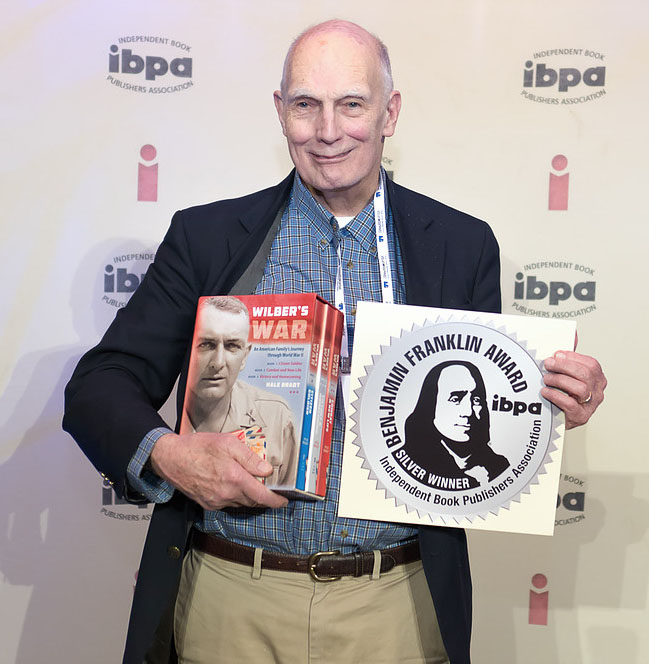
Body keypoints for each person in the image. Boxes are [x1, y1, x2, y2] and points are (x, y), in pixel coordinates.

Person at [63, 19, 607, 664]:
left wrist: (553, 402)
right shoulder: (207, 237)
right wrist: (169, 455)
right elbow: (100, 384)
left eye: (352, 103)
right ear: (280, 112)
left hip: (397, 606)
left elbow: (485, 408)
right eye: (305, 105)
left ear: (390, 112)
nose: (328, 131)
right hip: (231, 595)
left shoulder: (459, 246)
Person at [181, 296, 298, 487]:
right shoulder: (157, 423)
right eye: (206, 344)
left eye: (232, 346)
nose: (218, 362)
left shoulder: (277, 416)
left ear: (245, 356)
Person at [402, 361, 509, 490]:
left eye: (476, 400)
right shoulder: (408, 463)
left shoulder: (501, 467)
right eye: (455, 399)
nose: (468, 412)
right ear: (431, 403)